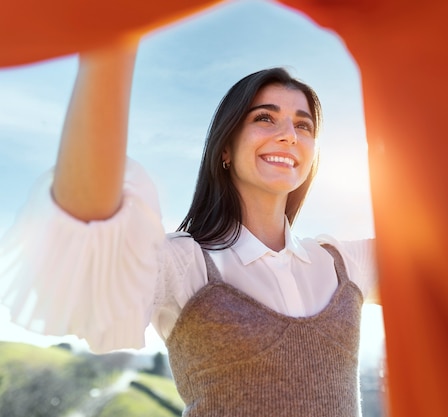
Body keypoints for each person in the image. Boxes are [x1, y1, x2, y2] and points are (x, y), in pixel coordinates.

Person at [0, 40, 377, 416]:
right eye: (265, 117)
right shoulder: (183, 263)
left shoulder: (345, 264)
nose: (289, 135)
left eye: (303, 125)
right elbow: (87, 229)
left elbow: (436, 253)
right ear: (225, 149)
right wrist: (112, 40)